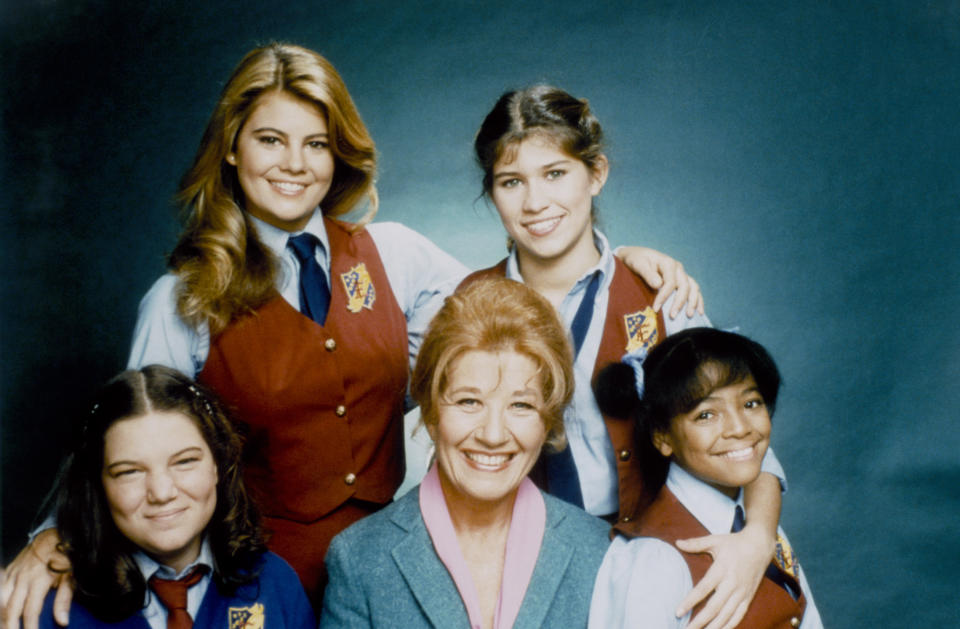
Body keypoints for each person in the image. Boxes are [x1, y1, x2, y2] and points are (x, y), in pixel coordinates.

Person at [1, 44, 699, 625]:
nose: (295, 163)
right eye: (270, 140)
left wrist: (621, 261)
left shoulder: (393, 254)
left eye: (317, 143)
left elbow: (516, 321)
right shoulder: (184, 299)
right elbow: (131, 436)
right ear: (232, 152)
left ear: (339, 155)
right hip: (256, 583)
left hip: (394, 565)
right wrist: (52, 533)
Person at [463, 85, 787, 628]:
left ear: (597, 173)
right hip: (516, 558)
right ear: (492, 193)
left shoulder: (663, 298)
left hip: (652, 554)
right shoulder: (469, 304)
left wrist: (757, 536)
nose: (535, 202)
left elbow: (739, 437)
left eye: (556, 174)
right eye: (511, 182)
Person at [321, 278, 609, 628]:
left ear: (547, 421)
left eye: (520, 405)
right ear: (430, 413)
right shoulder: (359, 559)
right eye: (469, 401)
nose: (492, 435)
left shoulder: (600, 552)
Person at [33, 365, 314, 629]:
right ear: (98, 484)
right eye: (129, 471)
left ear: (218, 464)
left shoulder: (275, 584)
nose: (162, 493)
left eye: (184, 462)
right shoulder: (51, 605)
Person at [589, 328, 823, 628]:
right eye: (706, 415)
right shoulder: (655, 558)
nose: (740, 428)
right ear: (662, 436)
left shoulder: (757, 525)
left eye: (751, 404)